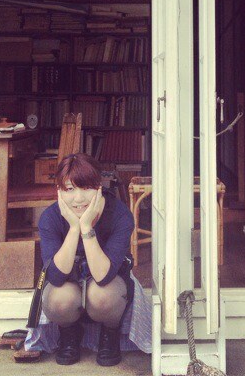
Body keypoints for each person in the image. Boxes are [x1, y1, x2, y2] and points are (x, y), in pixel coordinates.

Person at [25, 152, 151, 366]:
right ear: (59, 191)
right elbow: (55, 276)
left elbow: (103, 276)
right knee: (58, 299)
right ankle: (69, 333)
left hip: (108, 285)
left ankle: (110, 333)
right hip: (68, 282)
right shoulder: (50, 218)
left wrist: (86, 227)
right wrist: (74, 228)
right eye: (70, 189)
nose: (78, 198)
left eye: (86, 188)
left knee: (102, 295)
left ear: (99, 187)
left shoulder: (120, 215)